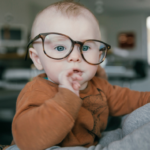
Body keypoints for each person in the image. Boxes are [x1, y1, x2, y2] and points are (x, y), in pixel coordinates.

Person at [4, 0, 150, 150]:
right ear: (37, 59)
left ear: (99, 55)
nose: (75, 56)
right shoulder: (37, 91)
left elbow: (137, 100)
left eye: (86, 47)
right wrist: (67, 98)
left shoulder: (101, 87)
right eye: (60, 47)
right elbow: (26, 140)